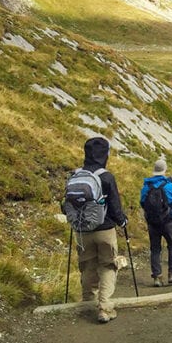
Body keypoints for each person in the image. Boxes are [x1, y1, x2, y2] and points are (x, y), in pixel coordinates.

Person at [74, 137, 127, 324]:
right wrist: (122, 221)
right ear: (105, 154)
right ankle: (104, 308)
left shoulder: (76, 174)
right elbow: (114, 205)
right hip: (104, 229)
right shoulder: (106, 176)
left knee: (87, 265)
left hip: (82, 230)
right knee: (107, 265)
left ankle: (87, 302)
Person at [140, 158, 172, 287]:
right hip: (168, 221)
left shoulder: (146, 187)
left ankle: (157, 277)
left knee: (155, 249)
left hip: (152, 222)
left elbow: (142, 202)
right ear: (164, 170)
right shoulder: (169, 186)